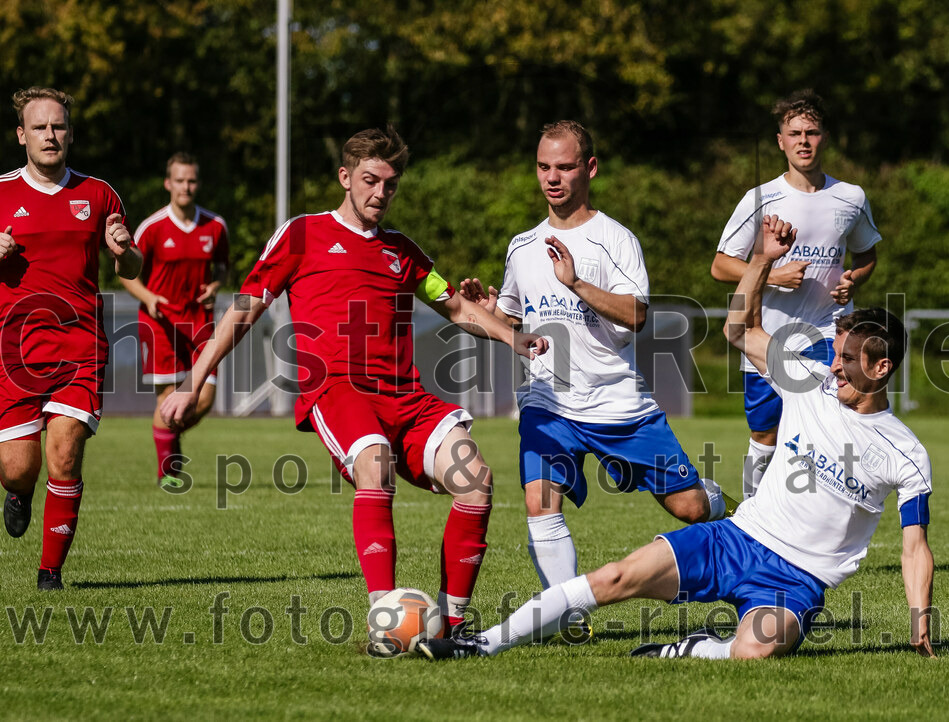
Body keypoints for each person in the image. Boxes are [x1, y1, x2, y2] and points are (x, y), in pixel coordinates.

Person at [417, 214, 934, 661]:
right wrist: (761, 260)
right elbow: (739, 330)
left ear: (882, 367)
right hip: (735, 540)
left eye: (848, 360)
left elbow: (914, 547)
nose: (835, 367)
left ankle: (690, 649)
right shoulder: (807, 379)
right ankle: (480, 644)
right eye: (835, 354)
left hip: (798, 581)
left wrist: (918, 620)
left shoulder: (905, 453)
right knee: (616, 577)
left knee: (754, 650)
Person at [160, 126, 547, 640]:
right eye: (370, 180)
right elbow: (246, 307)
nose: (380, 193)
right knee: (377, 467)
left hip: (405, 395)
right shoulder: (302, 235)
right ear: (345, 177)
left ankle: (452, 630)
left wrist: (509, 334)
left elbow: (456, 307)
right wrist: (193, 379)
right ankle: (385, 621)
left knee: (476, 482)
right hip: (338, 391)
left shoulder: (403, 252)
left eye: (390, 184)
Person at [461, 120, 731, 592]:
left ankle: (733, 510)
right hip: (548, 400)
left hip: (616, 403)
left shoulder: (616, 239)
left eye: (565, 167)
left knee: (688, 508)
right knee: (540, 500)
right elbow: (509, 322)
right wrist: (487, 315)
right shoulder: (521, 246)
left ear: (590, 168)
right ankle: (569, 612)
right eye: (543, 166)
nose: (552, 177)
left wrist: (576, 284)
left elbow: (637, 314)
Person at [1, 87, 142, 590]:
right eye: (39, 127)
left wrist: (124, 252)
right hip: (14, 352)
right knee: (18, 468)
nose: (50, 135)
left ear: (71, 133)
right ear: (22, 135)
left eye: (58, 126)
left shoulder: (99, 195)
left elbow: (132, 266)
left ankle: (50, 573)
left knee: (64, 453)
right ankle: (18, 492)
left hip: (80, 346)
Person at [711, 90, 881, 499]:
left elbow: (867, 254)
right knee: (765, 435)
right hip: (767, 333)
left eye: (812, 132)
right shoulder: (760, 198)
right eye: (795, 133)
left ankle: (820, 511)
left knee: (831, 424)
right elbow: (720, 265)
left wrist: (854, 279)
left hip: (828, 331)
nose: (804, 141)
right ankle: (753, 514)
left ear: (825, 137)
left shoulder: (851, 197)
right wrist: (772, 275)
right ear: (780, 141)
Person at [120, 153, 229, 488]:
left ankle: (169, 435)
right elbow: (126, 273)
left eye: (191, 180)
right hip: (161, 325)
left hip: (201, 324)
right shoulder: (152, 227)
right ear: (168, 183)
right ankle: (167, 474)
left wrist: (216, 286)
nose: (186, 187)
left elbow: (223, 268)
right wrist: (149, 298)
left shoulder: (215, 226)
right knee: (168, 398)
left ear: (198, 183)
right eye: (180, 180)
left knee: (205, 398)